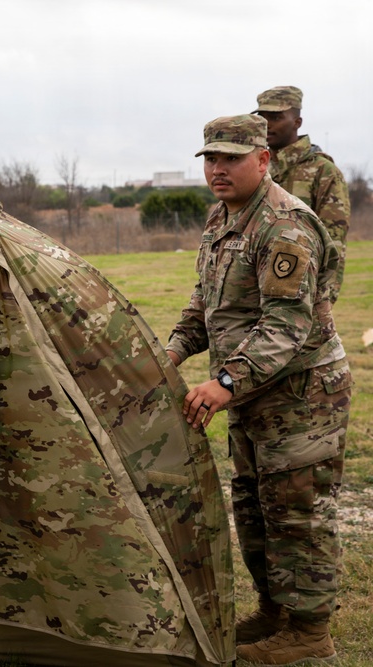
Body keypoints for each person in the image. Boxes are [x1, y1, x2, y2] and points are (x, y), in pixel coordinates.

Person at [165, 115, 351, 665]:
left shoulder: (286, 225)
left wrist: (224, 382)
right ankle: (275, 613)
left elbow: (286, 328)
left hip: (302, 395)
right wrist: (172, 351)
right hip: (252, 395)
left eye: (231, 158)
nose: (218, 169)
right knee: (253, 507)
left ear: (263, 159)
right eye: (210, 159)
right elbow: (205, 304)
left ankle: (311, 633)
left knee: (297, 512)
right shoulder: (221, 217)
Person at [254, 85, 350, 303]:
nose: (267, 125)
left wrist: (322, 300)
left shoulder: (323, 172)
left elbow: (334, 245)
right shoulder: (258, 170)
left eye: (276, 117)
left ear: (297, 122)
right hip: (255, 293)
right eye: (263, 118)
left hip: (302, 296)